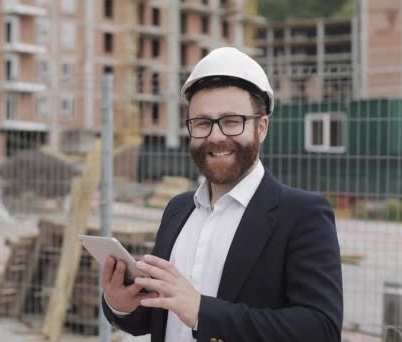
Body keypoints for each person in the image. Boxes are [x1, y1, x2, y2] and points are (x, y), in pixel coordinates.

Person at [100, 47, 343, 342]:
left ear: (261, 127)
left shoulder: (302, 214)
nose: (215, 136)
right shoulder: (178, 210)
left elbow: (320, 328)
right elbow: (162, 317)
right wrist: (122, 305)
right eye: (202, 123)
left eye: (231, 121)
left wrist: (204, 312)